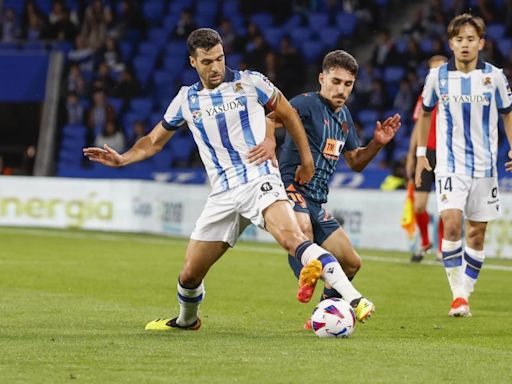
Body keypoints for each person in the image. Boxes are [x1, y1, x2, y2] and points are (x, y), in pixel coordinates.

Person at [83, 28, 375, 331]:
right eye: (208, 61)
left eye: (220, 59)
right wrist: (123, 158)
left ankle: (354, 299)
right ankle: (187, 321)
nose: (216, 67)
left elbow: (287, 113)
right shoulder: (186, 99)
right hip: (222, 195)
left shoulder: (251, 82)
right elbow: (154, 141)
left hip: (258, 180)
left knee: (294, 239)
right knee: (189, 275)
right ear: (193, 62)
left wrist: (305, 158)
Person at [252, 50, 400, 329]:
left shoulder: (344, 118)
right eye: (335, 81)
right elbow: (271, 117)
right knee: (303, 229)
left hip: (317, 201)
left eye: (348, 84)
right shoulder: (306, 104)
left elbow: (355, 161)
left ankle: (321, 313)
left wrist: (377, 143)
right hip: (290, 189)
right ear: (322, 78)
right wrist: (270, 142)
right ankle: (308, 277)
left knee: (352, 262)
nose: (341, 89)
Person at [415, 14, 512, 317]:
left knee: (477, 234)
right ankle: (458, 295)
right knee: (453, 222)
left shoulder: (495, 77)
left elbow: (508, 113)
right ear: (451, 43)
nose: (465, 44)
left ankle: (465, 292)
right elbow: (426, 113)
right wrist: (421, 154)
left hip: (485, 168)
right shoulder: (437, 77)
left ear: (481, 42)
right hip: (450, 165)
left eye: (471, 39)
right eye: (459, 39)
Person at [405, 55, 447, 263]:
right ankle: (424, 242)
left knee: (445, 205)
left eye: (439, 69)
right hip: (427, 153)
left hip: (448, 154)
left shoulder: (454, 96)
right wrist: (411, 156)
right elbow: (417, 127)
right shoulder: (424, 98)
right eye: (432, 70)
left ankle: (441, 249)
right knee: (419, 205)